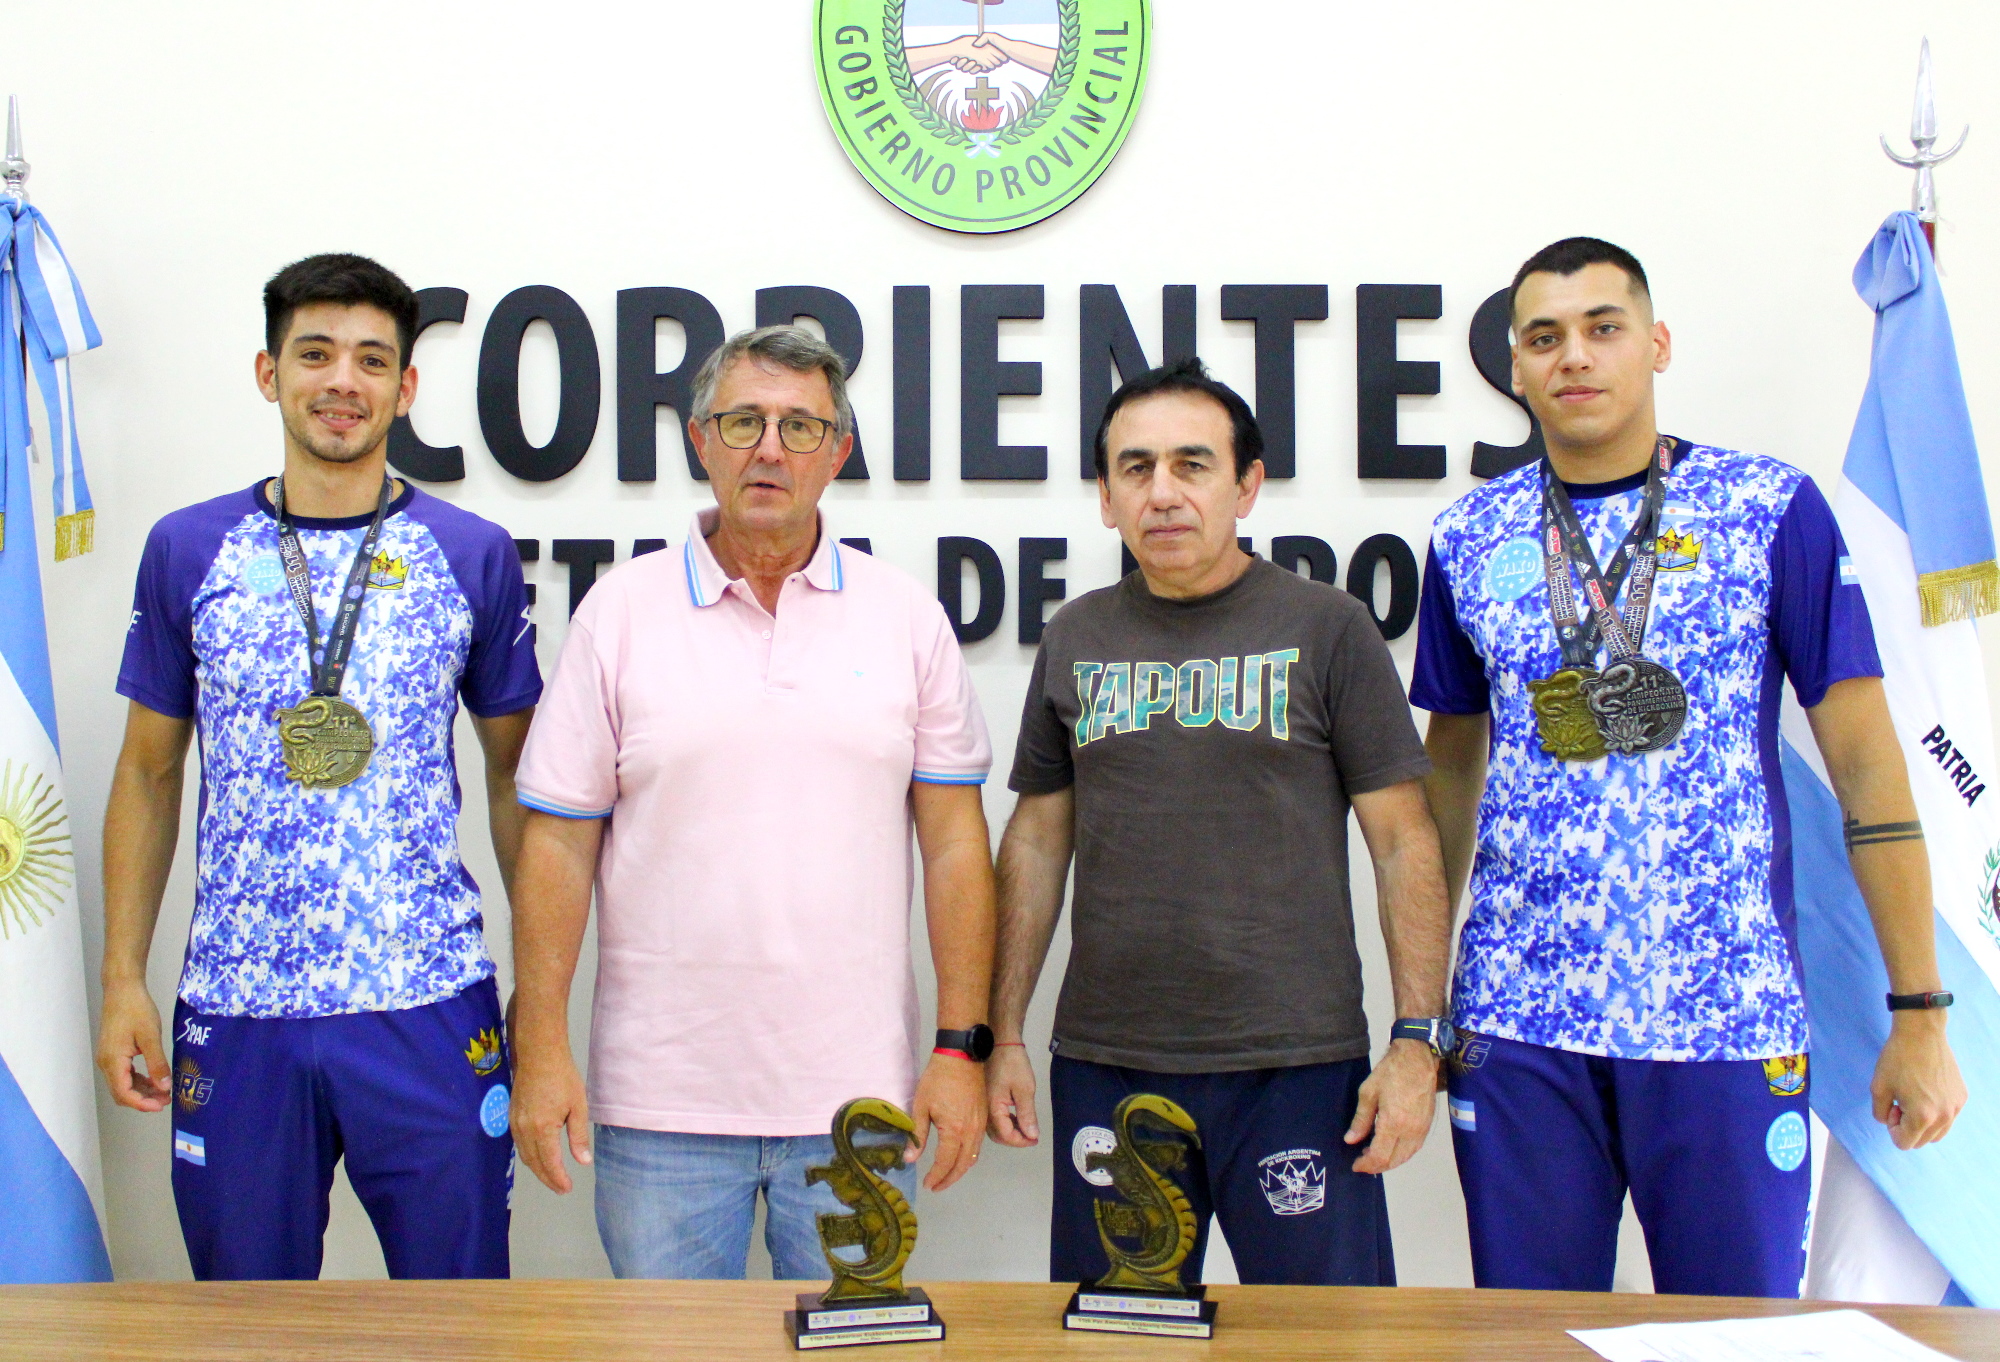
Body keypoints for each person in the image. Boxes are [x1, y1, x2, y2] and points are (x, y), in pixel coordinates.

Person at [1415, 237, 1968, 1296]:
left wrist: (1919, 1012)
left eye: (1602, 328)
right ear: (1516, 368)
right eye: (1544, 338)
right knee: (1525, 1344)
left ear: (1657, 343)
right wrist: (1418, 1011)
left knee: (1733, 1341)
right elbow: (1447, 782)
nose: (1575, 356)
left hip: (1722, 1015)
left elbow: (1864, 765)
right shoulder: (1467, 537)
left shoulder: (1766, 509)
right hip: (1519, 1024)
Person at [507, 325, 997, 1280]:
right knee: (669, 1354)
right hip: (661, 1108)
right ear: (701, 441)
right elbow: (557, 847)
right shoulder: (619, 613)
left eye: (800, 427)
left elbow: (954, 848)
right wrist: (543, 1049)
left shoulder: (905, 616)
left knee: (855, 1349)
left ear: (837, 453)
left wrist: (959, 1050)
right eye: (743, 422)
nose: (769, 449)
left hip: (860, 1107)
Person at [97, 253, 541, 1280]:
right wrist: (123, 980)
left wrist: (538, 991)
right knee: (248, 1331)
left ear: (406, 388)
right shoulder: (188, 549)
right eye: (315, 354)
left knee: (458, 1328)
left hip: (427, 1001)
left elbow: (518, 780)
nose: (344, 380)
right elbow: (148, 775)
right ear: (269, 373)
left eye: (372, 360)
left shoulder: (470, 553)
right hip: (239, 1006)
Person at [987, 357, 1455, 1288]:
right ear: (1106, 497)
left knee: (1327, 1345)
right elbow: (1036, 842)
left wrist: (1416, 1040)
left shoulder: (1329, 628)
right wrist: (1002, 1035)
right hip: (1109, 1065)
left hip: (1297, 1066)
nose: (1162, 492)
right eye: (1135, 468)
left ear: (1246, 485)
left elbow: (1404, 842)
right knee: (1115, 1343)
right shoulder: (1077, 635)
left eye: (1192, 465)